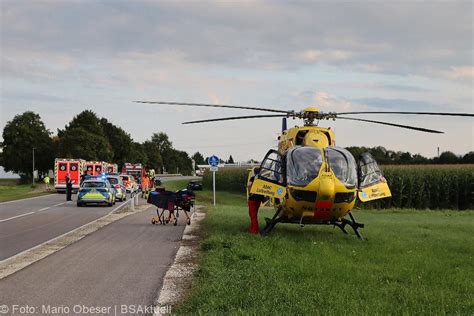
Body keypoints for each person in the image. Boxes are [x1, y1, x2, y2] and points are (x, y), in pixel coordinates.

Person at [247, 167, 266, 235]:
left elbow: (249, 185)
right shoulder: (262, 178)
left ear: (254, 172)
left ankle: (255, 230)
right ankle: (252, 228)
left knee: (252, 215)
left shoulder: (253, 178)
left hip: (253, 198)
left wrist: (250, 192)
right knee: (254, 214)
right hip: (259, 199)